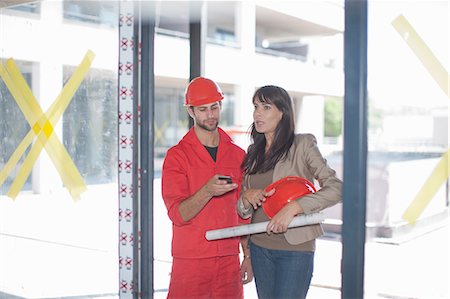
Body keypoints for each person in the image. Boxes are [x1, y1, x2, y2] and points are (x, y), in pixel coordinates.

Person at [237, 85, 342, 299]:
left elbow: (336, 188)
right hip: (259, 247)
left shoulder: (302, 144)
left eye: (266, 107)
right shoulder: (253, 152)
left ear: (282, 112)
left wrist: (295, 207)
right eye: (256, 107)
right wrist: (245, 199)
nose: (257, 113)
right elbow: (244, 210)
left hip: (295, 249)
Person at [161, 77, 252, 299]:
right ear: (191, 111)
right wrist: (207, 191)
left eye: (214, 107)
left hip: (229, 260)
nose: (210, 115)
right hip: (191, 260)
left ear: (221, 106)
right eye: (202, 110)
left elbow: (244, 214)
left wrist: (248, 256)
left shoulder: (238, 155)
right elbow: (177, 214)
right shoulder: (177, 157)